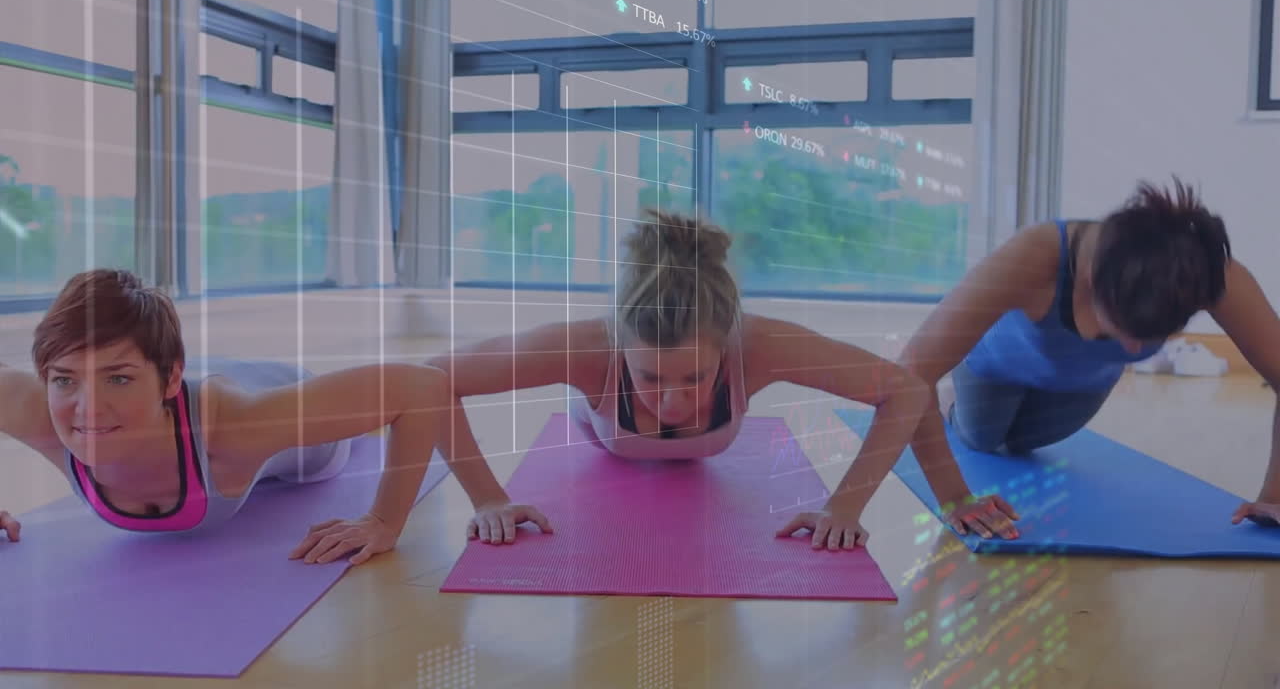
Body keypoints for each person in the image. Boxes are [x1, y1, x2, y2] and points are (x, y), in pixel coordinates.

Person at [426, 209, 932, 551]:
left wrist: (844, 506)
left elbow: (904, 390)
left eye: (695, 377)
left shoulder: (762, 345)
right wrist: (488, 497)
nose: (672, 401)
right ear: (621, 345)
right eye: (650, 376)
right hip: (605, 450)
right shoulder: (584, 347)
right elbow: (434, 376)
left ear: (726, 347)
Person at [0, 269, 540, 564]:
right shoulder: (42, 411)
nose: (86, 408)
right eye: (65, 378)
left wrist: (391, 520)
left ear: (168, 381)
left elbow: (422, 386)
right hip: (203, 376)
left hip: (277, 397)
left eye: (116, 377)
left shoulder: (234, 429)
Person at [888, 177, 1280, 539]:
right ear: (1091, 279)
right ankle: (950, 402)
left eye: (1152, 338)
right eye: (1118, 331)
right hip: (994, 365)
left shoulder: (1207, 274)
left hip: (1080, 379)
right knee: (984, 438)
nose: (1131, 351)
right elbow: (912, 373)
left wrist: (1274, 497)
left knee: (1022, 444)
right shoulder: (1035, 256)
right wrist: (955, 498)